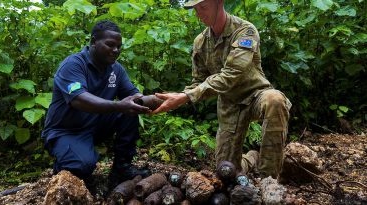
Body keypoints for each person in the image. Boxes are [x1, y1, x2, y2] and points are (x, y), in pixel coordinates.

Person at [152, 0, 292, 179]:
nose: (199, 14)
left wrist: (186, 96)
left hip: (256, 95)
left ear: (220, 3)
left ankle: (268, 179)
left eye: (203, 7)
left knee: (275, 100)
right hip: (229, 104)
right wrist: (178, 96)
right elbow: (198, 82)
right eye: (195, 9)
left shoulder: (245, 31)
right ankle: (252, 159)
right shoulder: (201, 42)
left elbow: (231, 74)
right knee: (226, 171)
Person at [42, 20, 151, 182]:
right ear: (93, 42)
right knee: (82, 166)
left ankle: (121, 168)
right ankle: (62, 170)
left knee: (131, 109)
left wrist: (166, 99)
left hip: (95, 126)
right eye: (110, 45)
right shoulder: (73, 65)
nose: (116, 50)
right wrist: (118, 105)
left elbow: (135, 97)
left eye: (119, 46)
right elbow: (78, 99)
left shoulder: (116, 69)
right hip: (65, 131)